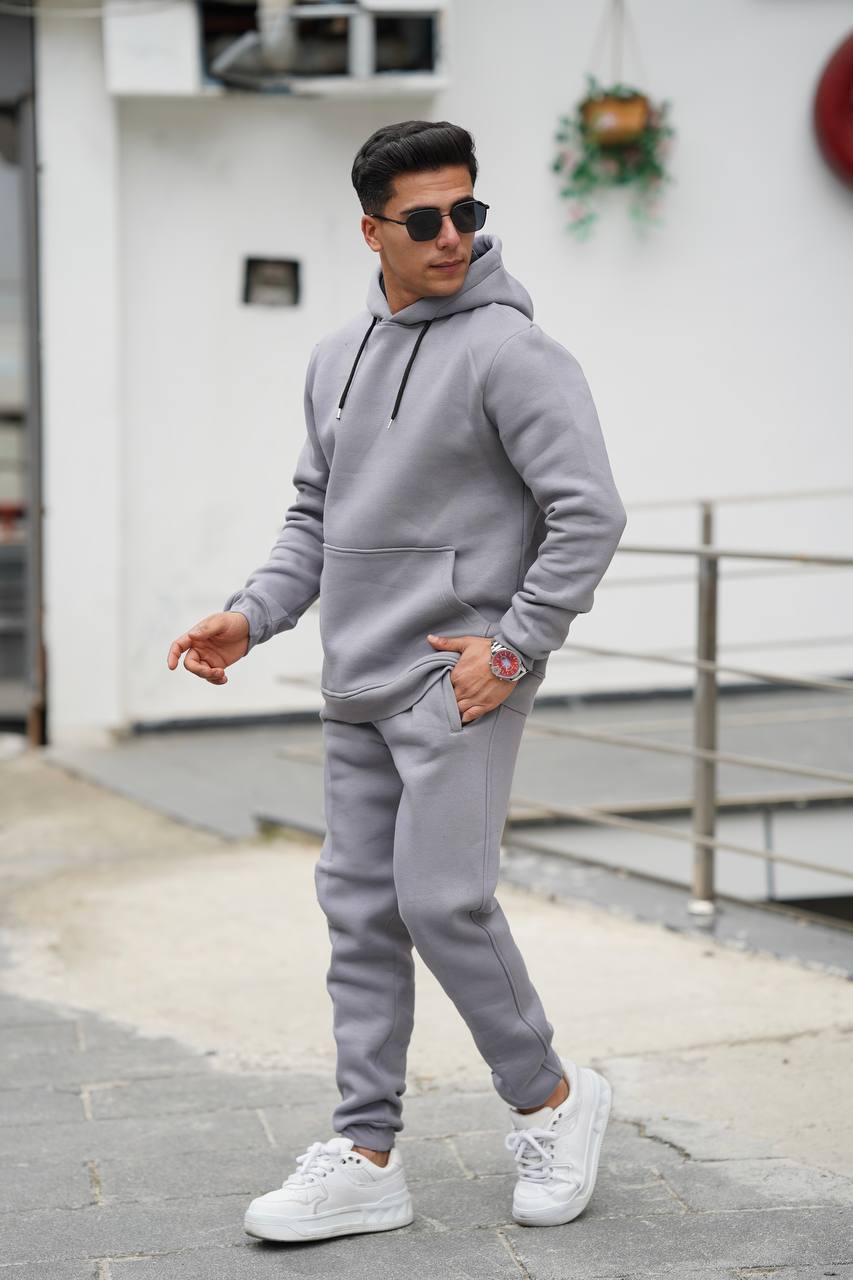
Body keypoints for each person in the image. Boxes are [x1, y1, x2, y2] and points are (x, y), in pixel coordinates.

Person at [167, 119, 627, 1244]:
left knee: (440, 901)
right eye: (424, 220)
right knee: (361, 913)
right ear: (371, 231)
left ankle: (551, 1100)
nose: (451, 236)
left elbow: (589, 514)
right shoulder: (337, 355)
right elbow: (314, 518)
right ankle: (365, 1155)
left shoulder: (513, 352)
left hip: (460, 679)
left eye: (467, 211)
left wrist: (512, 646)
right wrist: (251, 614)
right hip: (356, 681)